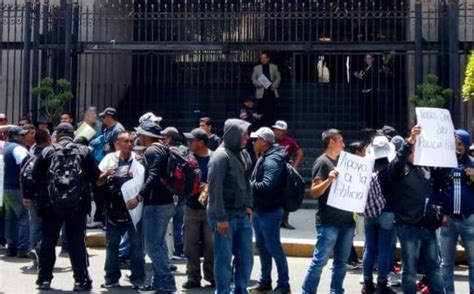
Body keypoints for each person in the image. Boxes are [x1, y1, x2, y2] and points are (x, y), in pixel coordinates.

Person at [33, 123, 100, 291]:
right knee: (77, 241)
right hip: (77, 205)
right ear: (72, 134)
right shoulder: (84, 151)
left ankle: (44, 280)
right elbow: (95, 175)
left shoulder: (48, 151)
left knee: (48, 241)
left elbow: (35, 175)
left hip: (51, 204)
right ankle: (80, 280)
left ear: (57, 134)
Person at [387, 125, 447, 294]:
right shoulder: (398, 169)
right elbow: (396, 164)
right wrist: (409, 141)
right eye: (413, 150)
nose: (416, 153)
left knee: (434, 268)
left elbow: (443, 173)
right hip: (408, 226)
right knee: (410, 270)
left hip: (427, 225)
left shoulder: (426, 167)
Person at [302, 129, 355, 294]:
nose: (344, 144)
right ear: (332, 141)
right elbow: (314, 192)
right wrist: (329, 180)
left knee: (341, 262)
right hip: (328, 222)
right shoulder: (322, 162)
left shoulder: (343, 161)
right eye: (341, 141)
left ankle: (336, 290)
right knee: (320, 261)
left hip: (347, 222)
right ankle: (307, 291)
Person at [208, 118, 254, 294]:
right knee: (224, 259)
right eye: (244, 134)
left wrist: (249, 206)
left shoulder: (244, 154)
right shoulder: (220, 157)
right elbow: (215, 190)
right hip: (225, 216)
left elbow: (247, 182)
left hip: (242, 215)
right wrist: (221, 218)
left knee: (246, 257)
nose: (247, 138)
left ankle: (241, 289)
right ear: (234, 135)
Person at [96, 131, 145, 289]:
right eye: (125, 141)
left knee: (137, 246)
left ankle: (137, 278)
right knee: (112, 245)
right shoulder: (109, 159)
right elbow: (97, 182)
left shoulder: (138, 160)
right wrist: (107, 173)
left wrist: (137, 198)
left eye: (131, 141)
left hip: (133, 210)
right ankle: (111, 278)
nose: (129, 144)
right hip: (113, 209)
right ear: (117, 143)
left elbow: (145, 184)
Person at [133, 120, 177, 293]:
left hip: (156, 205)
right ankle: (159, 283)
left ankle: (166, 283)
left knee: (153, 247)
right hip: (166, 203)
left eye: (140, 134)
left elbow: (153, 176)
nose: (138, 137)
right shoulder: (163, 149)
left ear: (146, 136)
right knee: (159, 244)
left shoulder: (152, 150)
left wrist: (139, 196)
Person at [248, 127, 290, 294]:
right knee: (263, 247)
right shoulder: (265, 156)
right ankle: (265, 281)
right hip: (260, 210)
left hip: (270, 211)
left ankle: (283, 285)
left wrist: (247, 184)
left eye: (255, 139)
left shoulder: (272, 160)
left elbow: (267, 185)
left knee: (273, 248)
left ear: (264, 141)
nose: (253, 142)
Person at [438, 129, 474, 294]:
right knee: (446, 262)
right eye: (454, 144)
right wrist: (441, 212)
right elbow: (435, 188)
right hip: (448, 221)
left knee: (473, 262)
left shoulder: (473, 164)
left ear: (466, 145)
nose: (457, 148)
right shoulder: (444, 165)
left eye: (460, 144)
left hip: (469, 221)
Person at [362, 136, 397, 294]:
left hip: (369, 213)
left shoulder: (368, 168)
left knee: (369, 248)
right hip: (388, 212)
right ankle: (382, 284)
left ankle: (367, 284)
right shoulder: (391, 168)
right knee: (384, 249)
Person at [181, 128, 215, 289]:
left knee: (211, 244)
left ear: (201, 143)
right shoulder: (187, 158)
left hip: (211, 208)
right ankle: (193, 277)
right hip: (191, 207)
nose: (188, 143)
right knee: (190, 244)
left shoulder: (216, 158)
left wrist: (208, 187)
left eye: (191, 140)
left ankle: (212, 275)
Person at [22, 129, 52, 268]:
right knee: (48, 226)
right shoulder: (50, 154)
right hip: (47, 196)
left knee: (34, 226)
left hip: (32, 196)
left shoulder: (29, 155)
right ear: (48, 139)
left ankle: (35, 254)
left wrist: (25, 196)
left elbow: (22, 175)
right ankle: (43, 254)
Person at [3, 126, 31, 258]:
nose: (25, 137)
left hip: (7, 189)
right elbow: (25, 166)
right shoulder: (18, 149)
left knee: (11, 218)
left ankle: (11, 247)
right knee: (24, 217)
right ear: (15, 136)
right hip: (17, 188)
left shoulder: (6, 148)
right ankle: (23, 248)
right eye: (22, 135)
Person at [272, 120, 304, 230]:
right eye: (275, 129)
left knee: (286, 195)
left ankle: (284, 220)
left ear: (284, 131)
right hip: (271, 171)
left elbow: (300, 153)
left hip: (285, 172)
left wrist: (294, 167)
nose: (276, 132)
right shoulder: (270, 140)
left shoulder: (289, 141)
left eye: (279, 130)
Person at [161, 126, 186, 259]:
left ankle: (172, 250)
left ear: (169, 138)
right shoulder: (185, 149)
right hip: (184, 191)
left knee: (168, 223)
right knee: (180, 221)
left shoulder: (168, 151)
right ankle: (179, 249)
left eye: (164, 136)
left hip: (171, 190)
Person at [251, 53, 281, 127]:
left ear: (268, 59)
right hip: (261, 92)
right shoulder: (256, 68)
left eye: (264, 58)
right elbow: (253, 79)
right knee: (261, 111)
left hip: (271, 92)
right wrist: (259, 84)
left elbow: (278, 78)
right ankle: (261, 126)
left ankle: (270, 126)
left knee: (271, 111)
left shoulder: (274, 67)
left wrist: (274, 86)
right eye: (261, 58)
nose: (263, 60)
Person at [354, 54, 379, 129]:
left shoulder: (374, 68)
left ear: (373, 59)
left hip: (371, 91)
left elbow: (371, 79)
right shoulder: (365, 68)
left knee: (371, 110)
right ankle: (368, 125)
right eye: (366, 59)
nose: (367, 60)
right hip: (365, 91)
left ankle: (372, 126)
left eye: (369, 58)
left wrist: (360, 76)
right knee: (368, 110)